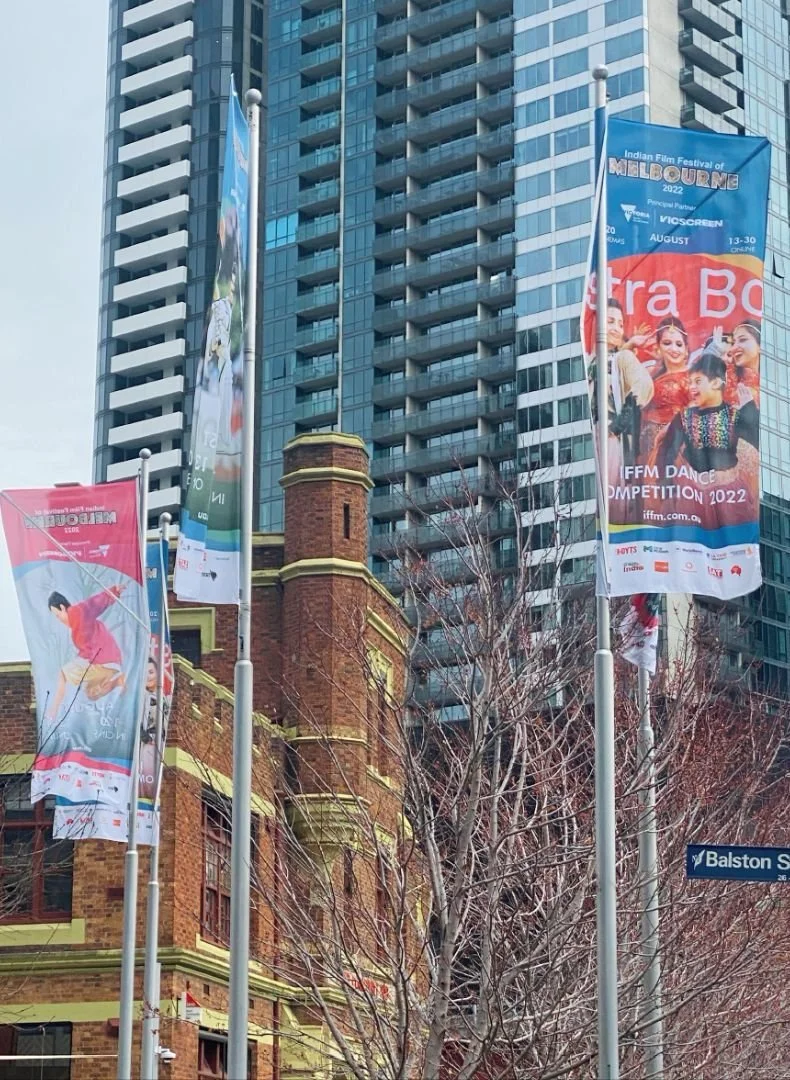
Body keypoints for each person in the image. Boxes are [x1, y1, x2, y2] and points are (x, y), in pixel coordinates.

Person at [655, 349, 759, 527]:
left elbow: (757, 440)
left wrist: (749, 408)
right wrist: (665, 488)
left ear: (716, 383)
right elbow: (666, 454)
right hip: (690, 495)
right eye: (690, 382)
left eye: (698, 381)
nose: (692, 387)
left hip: (729, 495)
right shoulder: (683, 418)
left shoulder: (734, 416)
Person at [599, 299, 654, 523]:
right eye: (610, 321)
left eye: (620, 324)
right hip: (595, 437)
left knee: (613, 502)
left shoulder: (623, 357)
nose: (616, 328)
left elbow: (644, 385)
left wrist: (620, 422)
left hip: (611, 438)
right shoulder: (600, 357)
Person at [45, 585, 127, 721]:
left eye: (57, 615)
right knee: (90, 693)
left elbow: (94, 604)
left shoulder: (77, 612)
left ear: (63, 607)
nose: (58, 619)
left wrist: (114, 591)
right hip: (109, 662)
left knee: (62, 674)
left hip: (103, 659)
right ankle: (117, 681)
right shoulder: (76, 628)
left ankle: (53, 711)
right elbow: (85, 652)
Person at [639, 317, 691, 463]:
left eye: (679, 344)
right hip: (645, 448)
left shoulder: (693, 378)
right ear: (659, 347)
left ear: (686, 350)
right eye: (667, 343)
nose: (674, 349)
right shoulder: (651, 373)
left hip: (674, 448)